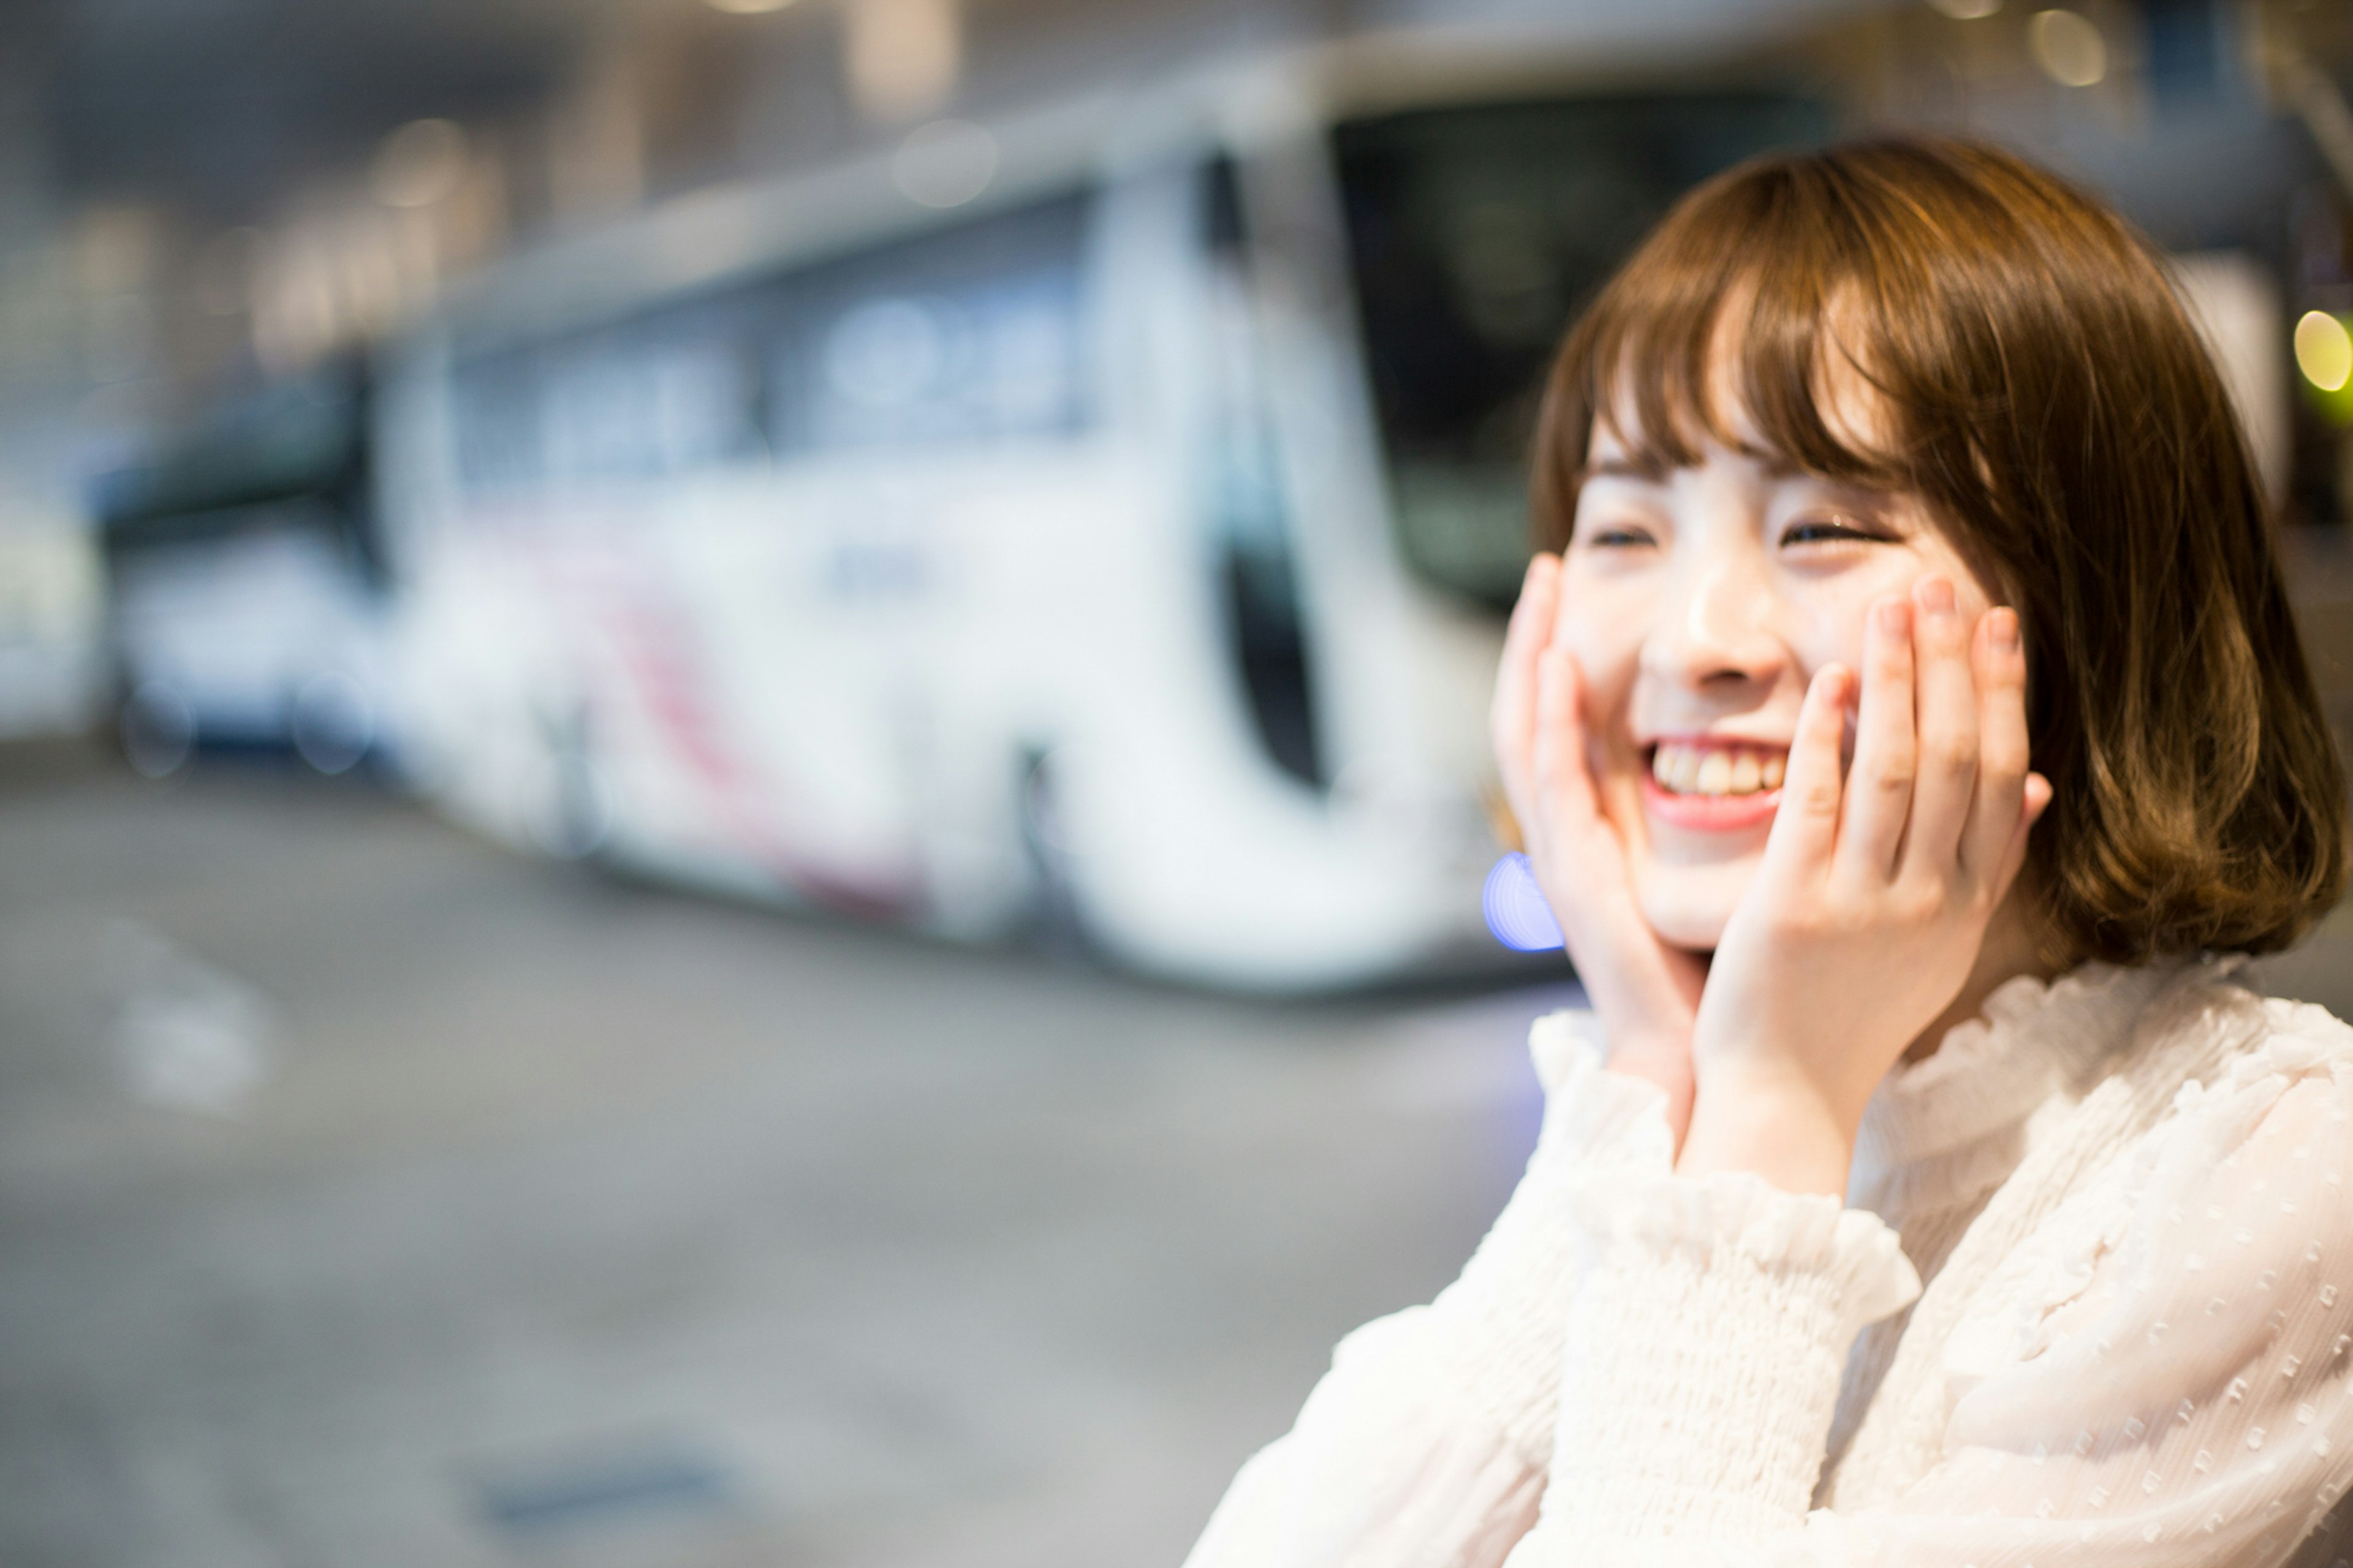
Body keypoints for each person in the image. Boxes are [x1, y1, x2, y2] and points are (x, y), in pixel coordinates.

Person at [1182, 136, 2353, 1567]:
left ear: (2097, 592)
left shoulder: (2272, 1162)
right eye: (1622, 528)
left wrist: (1771, 1102)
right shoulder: (1716, 1081)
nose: (1693, 641)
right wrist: (1659, 1086)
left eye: (1823, 521)